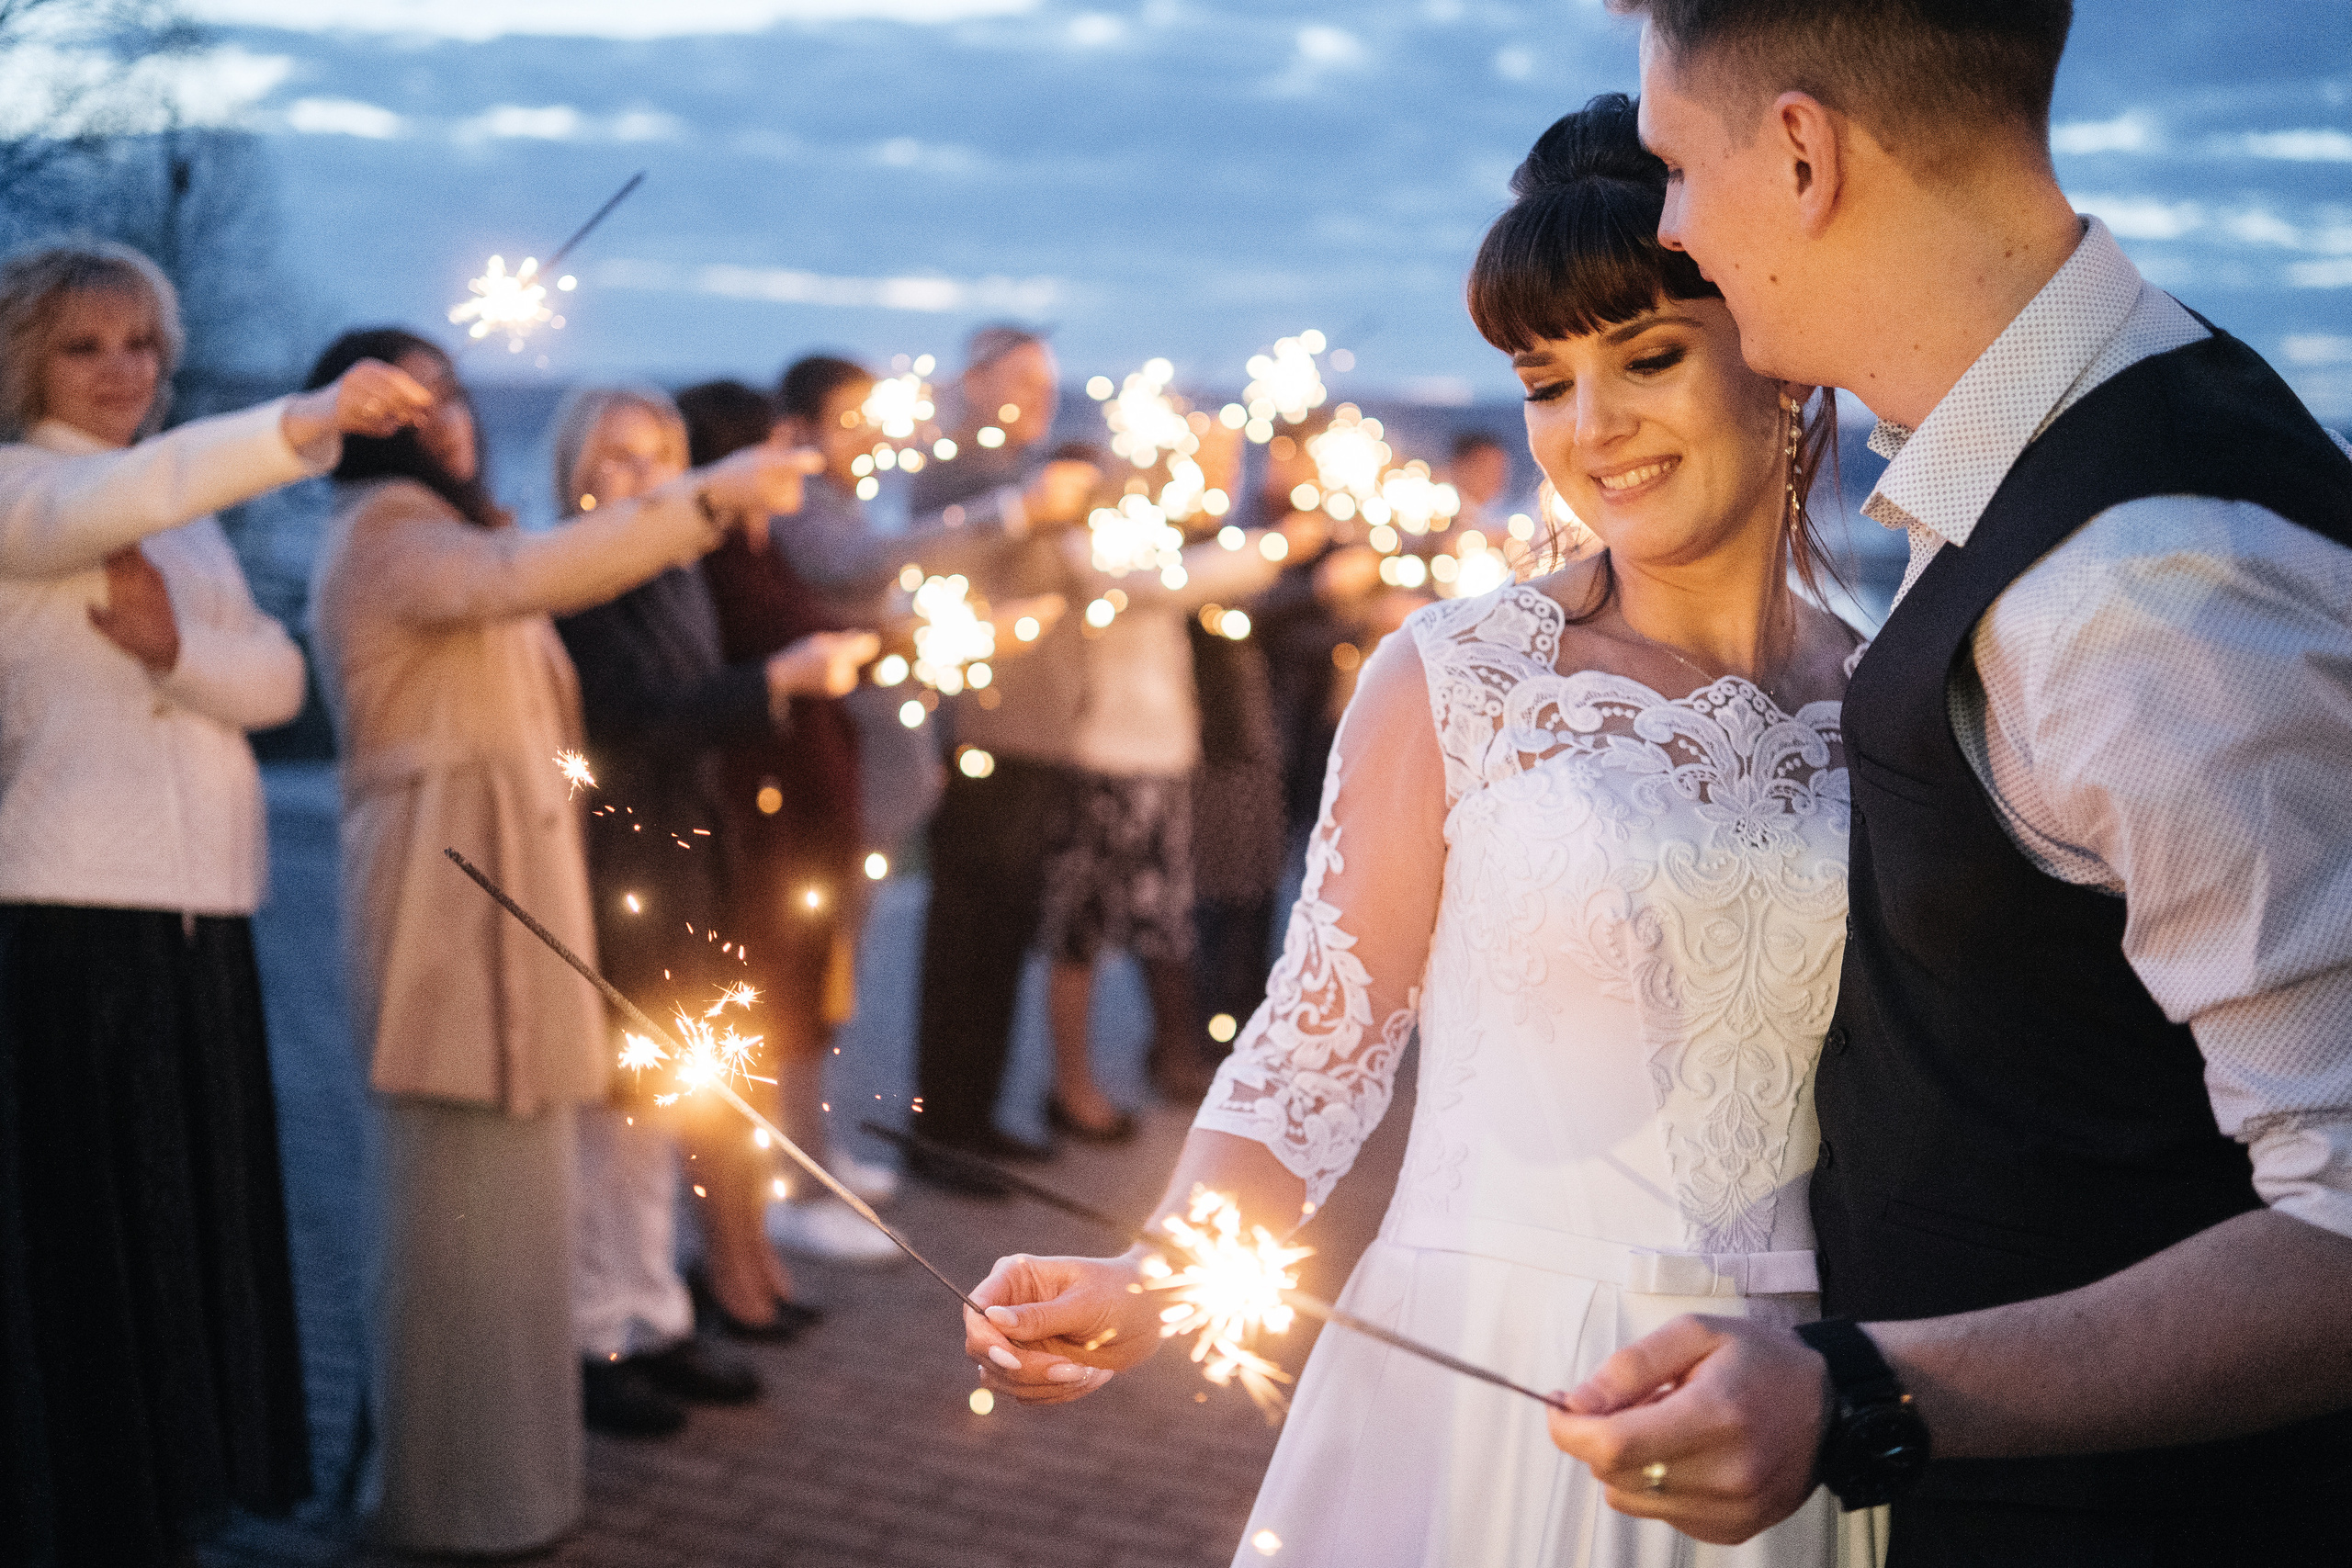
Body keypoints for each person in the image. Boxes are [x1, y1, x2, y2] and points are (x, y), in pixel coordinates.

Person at [962, 96, 1868, 1568]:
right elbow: (1316, 1042)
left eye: (1647, 357)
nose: (1593, 428)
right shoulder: (1458, 674)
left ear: (1781, 358)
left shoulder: (1891, 696)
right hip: (1491, 1360)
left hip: (1789, 1395)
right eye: (1545, 381)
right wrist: (1160, 1270)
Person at [1543, 5, 2352, 1563]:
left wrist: (1862, 1390)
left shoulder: (2148, 580)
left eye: (1678, 166)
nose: (1673, 227)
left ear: (1802, 154)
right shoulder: (2041, 456)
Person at [305, 328, 814, 1555]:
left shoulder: (461, 534)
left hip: (512, 883)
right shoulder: (389, 531)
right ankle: (458, 1493)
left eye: (449, 389)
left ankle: (512, 1479)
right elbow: (536, 579)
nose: (441, 413)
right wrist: (706, 496)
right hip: (448, 894)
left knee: (520, 1200)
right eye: (405, 395)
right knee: (463, 1209)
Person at [0, 241, 427, 1568]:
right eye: (85, 345)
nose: (122, 369)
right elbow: (117, 495)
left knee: (184, 1226)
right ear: (25, 360)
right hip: (70, 917)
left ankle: (169, 1500)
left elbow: (279, 683)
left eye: (142, 343)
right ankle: (90, 1511)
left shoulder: (184, 521)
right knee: (94, 1238)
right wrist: (306, 420)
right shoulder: (22, 489)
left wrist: (176, 646)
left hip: (205, 921)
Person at [550, 385, 875, 1434]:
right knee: (613, 1116)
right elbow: (633, 719)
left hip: (691, 861)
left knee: (665, 1103)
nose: (640, 478)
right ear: (573, 470)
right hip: (618, 862)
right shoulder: (577, 581)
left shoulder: (673, 572)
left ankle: (656, 1316)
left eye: (658, 457)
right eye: (617, 457)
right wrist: (775, 679)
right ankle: (598, 1337)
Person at [688, 378, 910, 1275]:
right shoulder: (716, 560)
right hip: (765, 816)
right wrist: (800, 668)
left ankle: (810, 1163)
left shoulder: (764, 548)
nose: (802, 461)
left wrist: (878, 644)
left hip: (815, 805)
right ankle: (786, 1192)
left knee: (816, 988)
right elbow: (747, 669)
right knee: (778, 998)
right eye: (783, 444)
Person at [901, 325, 1105, 1190]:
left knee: (1003, 937)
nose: (1041, 398)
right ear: (974, 381)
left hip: (1039, 740)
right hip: (986, 737)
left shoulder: (1027, 475)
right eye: (1022, 380)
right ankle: (943, 1131)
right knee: (967, 940)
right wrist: (1036, 503)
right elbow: (936, 549)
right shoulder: (959, 473)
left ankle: (976, 1117)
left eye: (1048, 384)